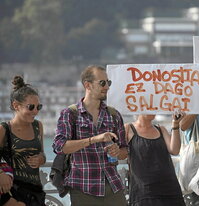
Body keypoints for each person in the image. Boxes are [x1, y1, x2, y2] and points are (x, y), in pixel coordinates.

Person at [52, 65, 128, 206]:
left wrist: (118, 152)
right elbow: (59, 147)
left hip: (113, 188)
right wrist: (94, 139)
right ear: (87, 85)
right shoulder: (70, 114)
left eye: (108, 83)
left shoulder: (114, 115)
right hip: (83, 189)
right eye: (102, 83)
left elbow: (125, 151)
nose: (107, 87)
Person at [0, 76, 46, 206]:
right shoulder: (4, 129)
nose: (35, 111)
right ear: (16, 105)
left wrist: (41, 159)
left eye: (39, 107)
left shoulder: (38, 126)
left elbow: (42, 153)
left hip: (36, 193)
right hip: (13, 194)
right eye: (31, 107)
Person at [125, 112, 186, 206]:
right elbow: (121, 154)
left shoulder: (161, 129)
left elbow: (175, 150)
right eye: (150, 108)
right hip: (144, 191)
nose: (153, 111)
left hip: (169, 188)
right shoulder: (128, 129)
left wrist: (175, 124)